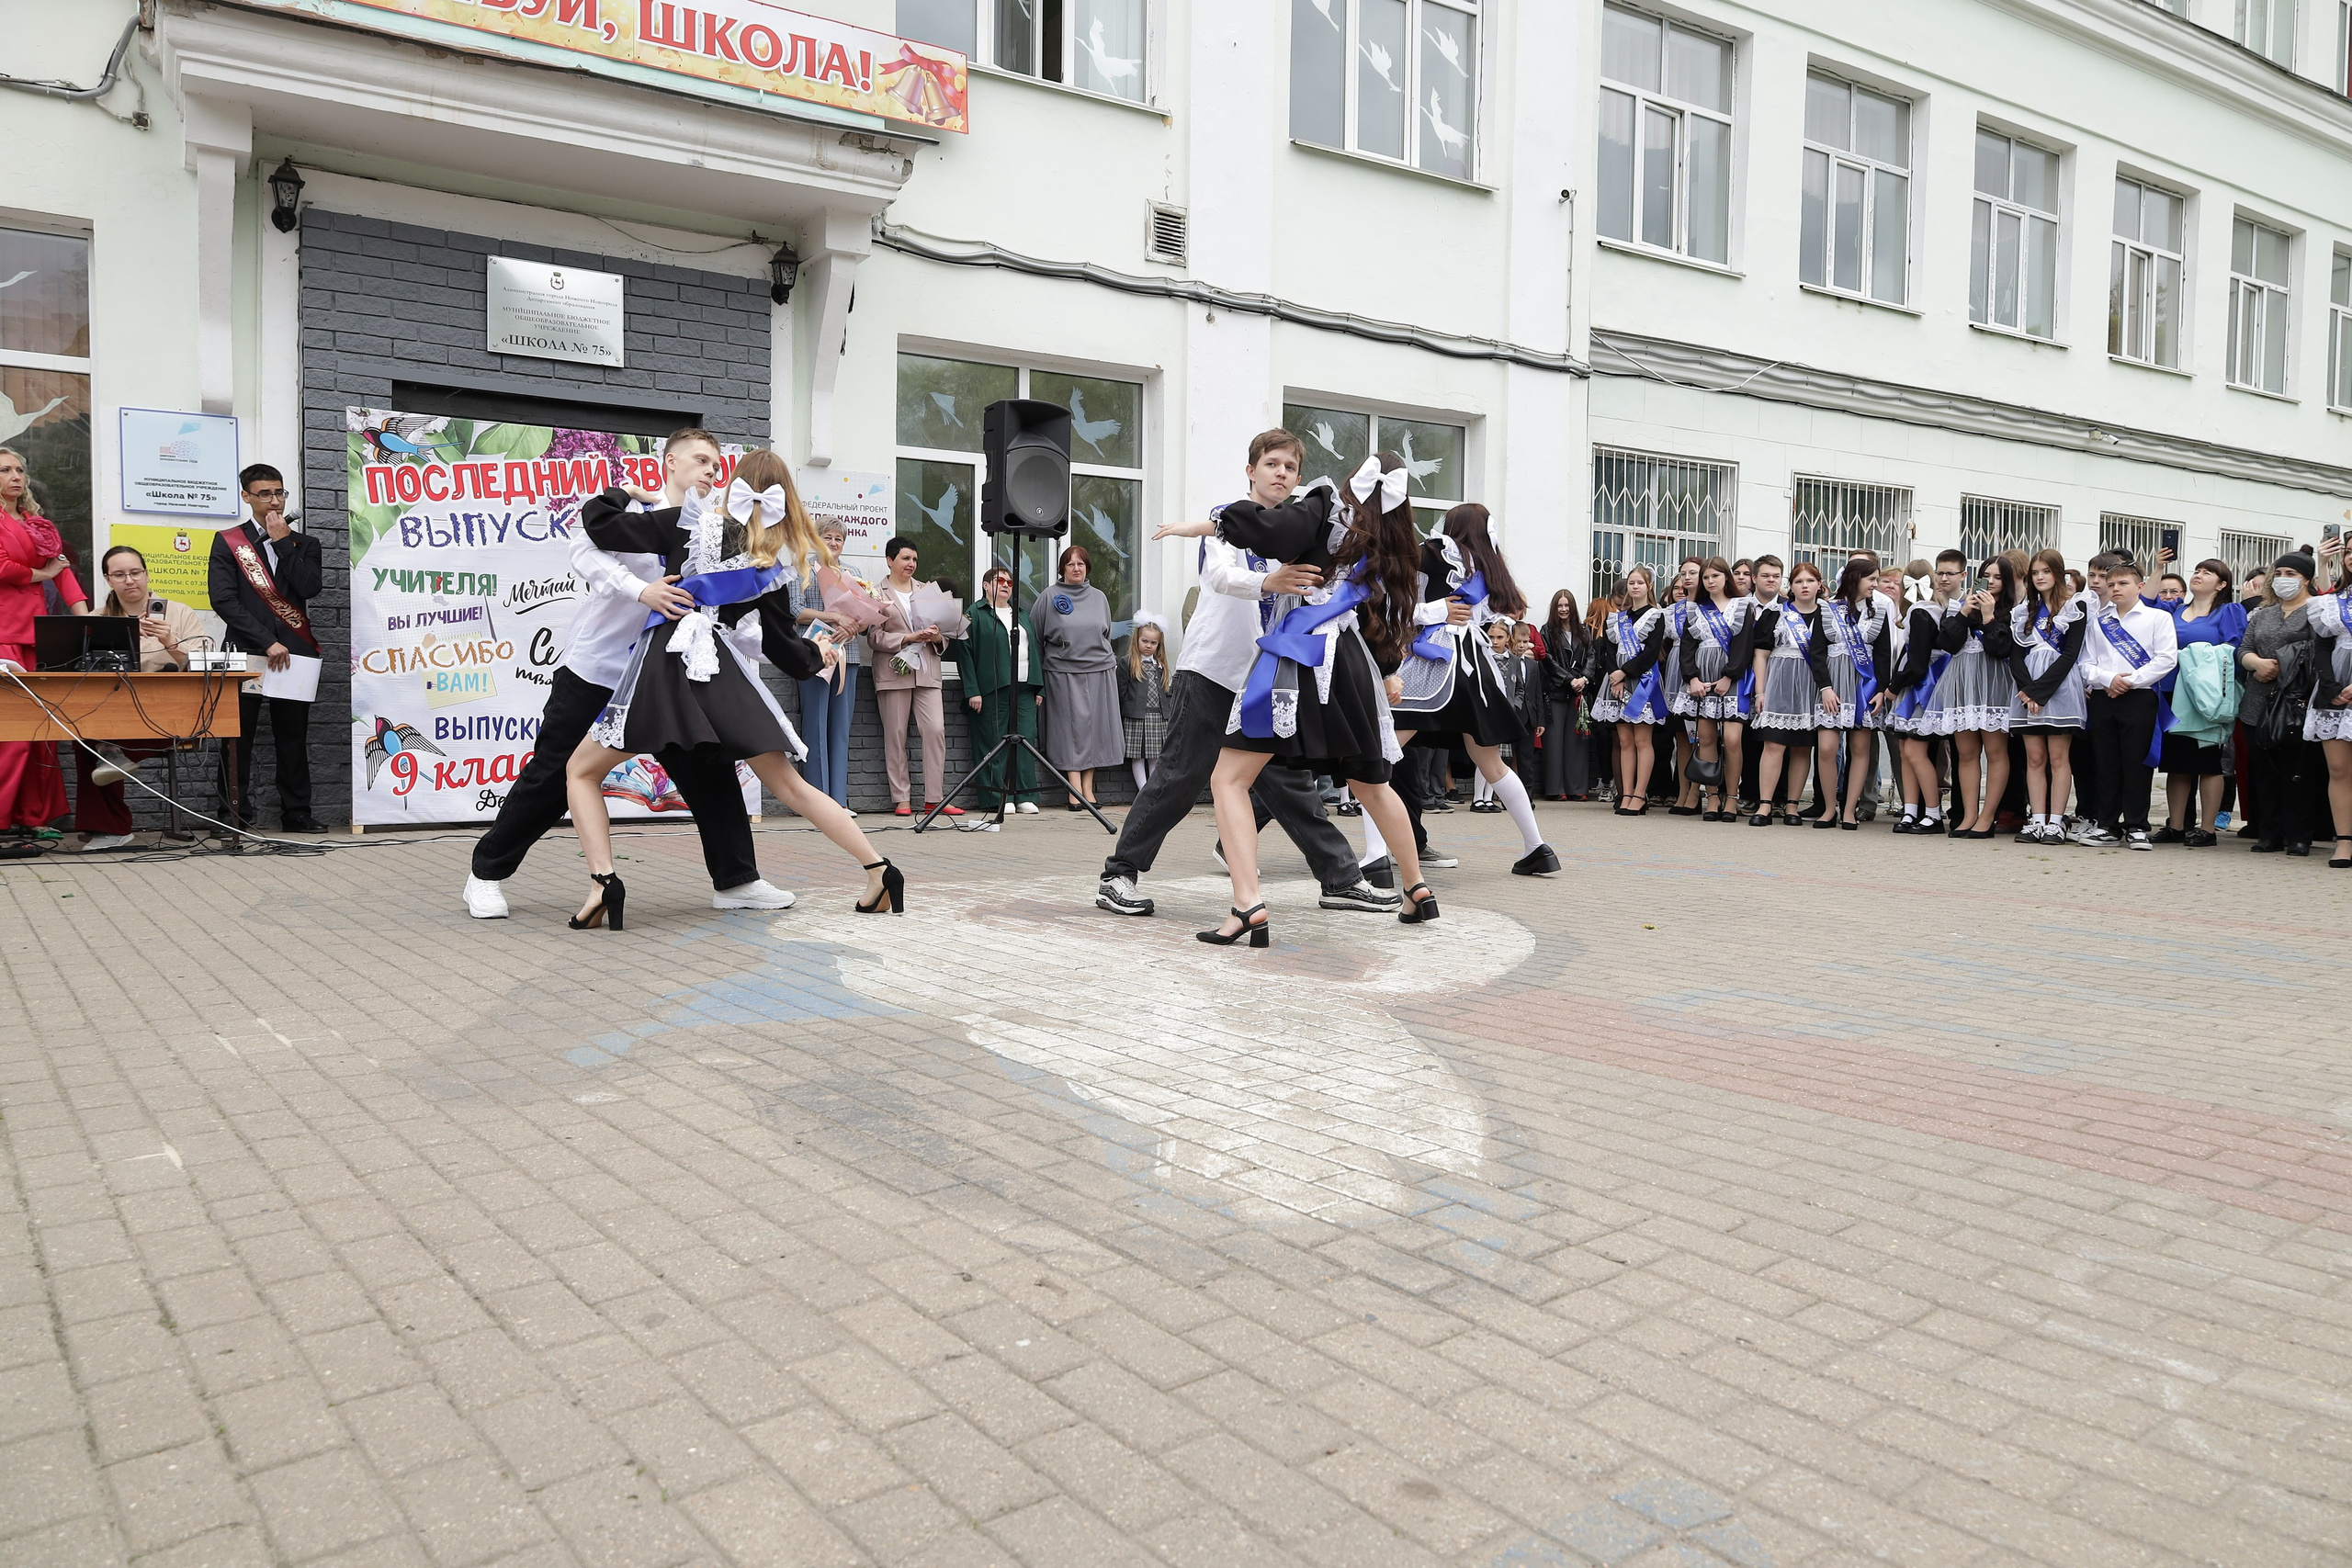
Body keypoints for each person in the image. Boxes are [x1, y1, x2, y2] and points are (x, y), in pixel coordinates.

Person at [561, 448, 902, 927]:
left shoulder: (685, 522)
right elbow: (786, 652)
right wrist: (818, 653)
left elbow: (599, 522)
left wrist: (629, 493)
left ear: (736, 485)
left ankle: (604, 883)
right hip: (721, 673)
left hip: (666, 668)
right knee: (790, 785)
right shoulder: (771, 571)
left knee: (580, 771)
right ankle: (879, 869)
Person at [464, 431, 793, 919]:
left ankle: (737, 880)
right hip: (600, 668)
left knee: (710, 770)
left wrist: (791, 648)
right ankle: (485, 876)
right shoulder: (634, 518)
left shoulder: (714, 530)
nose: (709, 470)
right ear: (670, 462)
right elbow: (582, 550)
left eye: (715, 464)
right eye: (700, 459)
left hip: (665, 676)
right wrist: (642, 591)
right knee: (554, 774)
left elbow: (725, 616)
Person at [1097, 429, 1394, 918]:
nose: (1281, 473)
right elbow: (1220, 577)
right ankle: (1119, 874)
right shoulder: (1227, 521)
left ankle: (1340, 878)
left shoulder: (1298, 530)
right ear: (1251, 470)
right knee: (1181, 774)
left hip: (1267, 676)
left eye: (1290, 468)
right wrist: (1269, 581)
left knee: (1286, 783)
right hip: (1213, 670)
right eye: (1272, 463)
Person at [1182, 451, 1438, 939]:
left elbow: (1267, 530)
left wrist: (1210, 521)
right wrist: (1386, 673)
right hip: (1350, 665)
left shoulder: (1323, 506)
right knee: (1371, 784)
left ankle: (1246, 905)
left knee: (1229, 779)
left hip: (1297, 655)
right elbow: (1382, 621)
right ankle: (1416, 887)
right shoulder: (1392, 541)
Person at [1386, 502, 1558, 875]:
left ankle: (1373, 857)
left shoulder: (1432, 552)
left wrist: (1432, 611)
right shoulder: (1489, 567)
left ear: (1453, 526)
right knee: (1491, 763)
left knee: (1382, 753)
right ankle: (1537, 847)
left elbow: (1398, 605)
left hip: (1436, 662)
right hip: (1476, 667)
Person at [208, 463, 324, 831]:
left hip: (295, 652)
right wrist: (266, 641)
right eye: (265, 494)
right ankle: (233, 816)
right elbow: (223, 600)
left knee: (292, 738)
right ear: (247, 496)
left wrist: (283, 543)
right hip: (247, 651)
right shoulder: (228, 541)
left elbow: (308, 589)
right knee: (236, 738)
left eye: (280, 493)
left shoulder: (304, 544)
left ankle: (297, 814)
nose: (274, 500)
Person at [73, 547, 208, 851]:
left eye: (135, 573)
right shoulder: (99, 617)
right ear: (108, 579)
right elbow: (81, 667)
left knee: (168, 685)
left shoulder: (179, 612)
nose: (129, 581)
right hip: (115, 708)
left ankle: (116, 754)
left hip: (168, 709)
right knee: (80, 734)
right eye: (119, 575)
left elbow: (202, 667)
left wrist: (169, 641)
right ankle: (110, 827)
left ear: (146, 574)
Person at [2075, 558, 2177, 849]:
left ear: (2140, 586)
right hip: (2104, 698)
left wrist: (2130, 681)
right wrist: (2109, 679)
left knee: (2137, 763)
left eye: (2123, 583)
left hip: (2140, 698)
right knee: (2106, 763)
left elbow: (2167, 659)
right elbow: (2086, 664)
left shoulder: (2158, 618)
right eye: (2111, 585)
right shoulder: (2099, 622)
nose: (2116, 589)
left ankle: (2136, 825)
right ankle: (2107, 825)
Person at [1922, 553, 2020, 839]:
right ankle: (1968, 815)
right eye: (1986, 575)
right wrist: (1965, 612)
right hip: (1962, 680)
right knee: (1965, 753)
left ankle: (1988, 817)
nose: (1990, 582)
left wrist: (1989, 615)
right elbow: (1947, 643)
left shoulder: (2014, 610)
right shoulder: (1963, 606)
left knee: (1995, 751)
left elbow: (2000, 648)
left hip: (1994, 682)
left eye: (1998, 577)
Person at [868, 536, 964, 818]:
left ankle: (934, 798)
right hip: (893, 670)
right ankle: (901, 798)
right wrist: (909, 637)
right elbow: (874, 637)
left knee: (935, 730)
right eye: (906, 558)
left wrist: (936, 637)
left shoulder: (927, 590)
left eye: (914, 559)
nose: (911, 564)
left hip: (927, 670)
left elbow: (944, 636)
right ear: (890, 560)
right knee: (895, 735)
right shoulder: (876, 593)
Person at [2155, 558, 2245, 846]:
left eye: (2208, 573)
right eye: (2197, 570)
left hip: (2206, 694)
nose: (2199, 575)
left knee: (2207, 762)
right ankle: (2177, 825)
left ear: (2221, 584)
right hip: (2172, 693)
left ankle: (2207, 829)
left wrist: (2196, 654)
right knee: (2177, 761)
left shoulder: (2228, 611)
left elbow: (2234, 649)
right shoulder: (2177, 610)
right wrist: (2158, 567)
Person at [2239, 552, 2324, 856]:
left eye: (2291, 573)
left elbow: (2320, 653)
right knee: (2264, 771)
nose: (2283, 578)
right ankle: (2269, 833)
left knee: (2298, 771)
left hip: (2296, 702)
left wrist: (2286, 670)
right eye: (2280, 572)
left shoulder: (2316, 612)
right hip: (2257, 703)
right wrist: (2256, 663)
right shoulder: (2263, 614)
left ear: (2307, 580)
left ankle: (2299, 835)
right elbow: (2243, 648)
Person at [2005, 548, 2088, 845]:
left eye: (2046, 572)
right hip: (2028, 690)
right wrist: (2027, 691)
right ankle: (2036, 819)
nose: (2040, 578)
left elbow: (2070, 654)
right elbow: (2015, 657)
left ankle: (2056, 821)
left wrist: (2040, 691)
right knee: (2035, 758)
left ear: (2058, 573)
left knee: (2057, 757)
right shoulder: (2023, 611)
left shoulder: (2075, 607)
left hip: (2060, 687)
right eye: (2035, 573)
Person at [947, 564, 1043, 816]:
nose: (1005, 585)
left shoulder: (1021, 614)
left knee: (1026, 740)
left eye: (1009, 582)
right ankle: (995, 797)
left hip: (1023, 688)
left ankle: (1023, 795)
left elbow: (1034, 650)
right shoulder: (974, 613)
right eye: (999, 580)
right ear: (986, 585)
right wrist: (972, 690)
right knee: (992, 741)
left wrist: (1039, 687)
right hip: (991, 688)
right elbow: (964, 654)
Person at [1033, 545, 1123, 810]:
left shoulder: (1099, 598)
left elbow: (1105, 635)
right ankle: (1073, 790)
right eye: (1070, 564)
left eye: (1080, 564)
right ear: (1062, 568)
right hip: (1063, 673)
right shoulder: (1049, 596)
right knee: (1070, 730)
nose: (1076, 568)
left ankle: (1089, 790)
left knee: (1093, 729)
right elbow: (1036, 637)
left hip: (1099, 671)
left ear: (1087, 568)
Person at [1745, 560, 1834, 827]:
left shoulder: (1828, 615)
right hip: (1779, 684)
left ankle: (1792, 806)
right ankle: (1765, 805)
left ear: (1819, 585)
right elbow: (1760, 654)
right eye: (1798, 581)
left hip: (1811, 687)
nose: (1804, 586)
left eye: (1810, 581)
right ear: (1791, 586)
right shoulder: (1776, 613)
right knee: (1773, 744)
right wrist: (1760, 691)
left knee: (1802, 748)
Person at [1885, 550, 1966, 834]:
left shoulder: (1921, 611)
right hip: (1925, 682)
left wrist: (1893, 686)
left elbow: (1918, 664)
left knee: (1916, 750)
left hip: (1923, 686)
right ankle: (1911, 811)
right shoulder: (1935, 609)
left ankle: (1932, 813)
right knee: (1908, 749)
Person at [791, 517, 865, 809]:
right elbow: (796, 610)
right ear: (815, 539)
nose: (834, 543)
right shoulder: (801, 567)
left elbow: (863, 614)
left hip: (849, 654)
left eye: (839, 539)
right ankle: (818, 802)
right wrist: (836, 618)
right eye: (829, 537)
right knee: (815, 725)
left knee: (840, 729)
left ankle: (840, 801)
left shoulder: (853, 572)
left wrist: (852, 626)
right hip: (813, 652)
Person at [1817, 555, 1894, 829]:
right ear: (1855, 579)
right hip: (1832, 687)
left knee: (1860, 749)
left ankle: (1850, 810)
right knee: (1827, 748)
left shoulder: (1879, 612)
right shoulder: (1827, 609)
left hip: (1864, 688)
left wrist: (1882, 690)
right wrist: (1825, 687)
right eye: (1872, 579)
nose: (1876, 584)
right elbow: (1817, 652)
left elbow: (1883, 654)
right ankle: (1828, 809)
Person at [1673, 557, 1749, 822]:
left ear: (1726, 577)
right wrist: (1691, 678)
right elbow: (1687, 646)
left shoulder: (1742, 606)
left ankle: (1732, 797)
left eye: (1715, 576)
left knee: (1731, 740)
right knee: (1705, 738)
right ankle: (1712, 798)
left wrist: (1730, 676)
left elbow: (1743, 645)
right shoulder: (1695, 609)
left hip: (1732, 681)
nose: (1710, 581)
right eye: (1706, 578)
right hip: (1703, 680)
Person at [1589, 565, 1668, 815]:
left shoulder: (1656, 616)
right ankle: (1626, 792)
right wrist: (1616, 677)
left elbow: (1651, 654)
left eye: (1640, 583)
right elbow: (1610, 651)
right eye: (1631, 583)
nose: (1635, 587)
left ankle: (1639, 794)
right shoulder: (1618, 618)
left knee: (1642, 740)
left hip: (1643, 680)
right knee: (1624, 740)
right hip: (1617, 683)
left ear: (1649, 586)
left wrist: (1625, 673)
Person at [0, 446, 87, 615]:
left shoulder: (36, 523)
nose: (16, 477)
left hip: (37, 622)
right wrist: (45, 573)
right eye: (5, 470)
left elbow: (61, 569)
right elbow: (3, 568)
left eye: (20, 470)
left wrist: (86, 620)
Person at [2304, 569, 2352, 867]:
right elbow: (2321, 644)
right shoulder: (2334, 600)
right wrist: (2331, 685)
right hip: (2335, 686)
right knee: (2338, 770)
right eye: (2349, 550)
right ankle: (2344, 842)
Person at [1537, 590, 1592, 800]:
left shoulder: (1584, 630)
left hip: (1579, 693)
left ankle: (1577, 788)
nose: (1563, 609)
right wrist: (1569, 679)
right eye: (1559, 605)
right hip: (1556, 692)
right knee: (1554, 742)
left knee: (1576, 741)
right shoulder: (1547, 631)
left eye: (1566, 605)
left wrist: (1583, 679)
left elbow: (1591, 658)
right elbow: (1547, 660)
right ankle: (1555, 789)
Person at [1118, 615, 1173, 791]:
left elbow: (1166, 694)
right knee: (1138, 757)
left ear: (1159, 645)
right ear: (1137, 640)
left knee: (1155, 757)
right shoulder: (1127, 663)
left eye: (1153, 643)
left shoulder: (1161, 666)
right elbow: (1121, 692)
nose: (1149, 646)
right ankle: (1144, 791)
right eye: (1145, 641)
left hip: (1158, 717)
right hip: (1136, 717)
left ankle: (1153, 791)